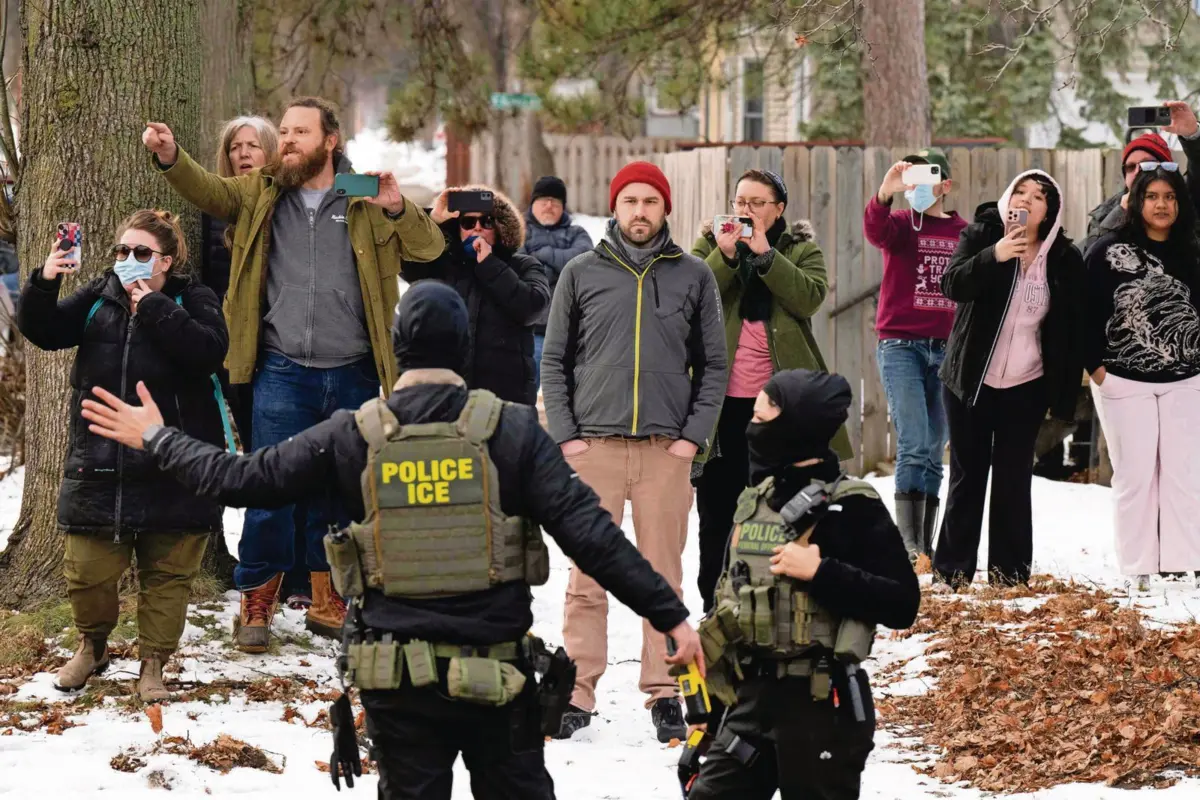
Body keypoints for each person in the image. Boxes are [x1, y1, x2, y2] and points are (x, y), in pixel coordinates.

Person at [79, 280, 704, 800]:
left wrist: (159, 438)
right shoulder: (511, 432)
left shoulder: (352, 435)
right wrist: (671, 618)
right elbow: (593, 537)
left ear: (397, 348)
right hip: (498, 678)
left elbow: (242, 479)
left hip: (397, 685)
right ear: (462, 347)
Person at [143, 96, 445, 652]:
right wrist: (169, 156)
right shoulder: (264, 189)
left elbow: (429, 248)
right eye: (283, 131)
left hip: (354, 369)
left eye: (299, 132)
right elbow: (209, 190)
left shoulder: (362, 193)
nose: (286, 140)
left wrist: (400, 207)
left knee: (341, 489)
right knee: (269, 487)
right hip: (280, 368)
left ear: (330, 141)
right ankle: (257, 597)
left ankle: (330, 596)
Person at [541, 161, 727, 742]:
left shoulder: (694, 275)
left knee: (664, 579)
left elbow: (714, 365)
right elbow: (553, 360)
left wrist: (691, 438)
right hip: (592, 448)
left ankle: (665, 690)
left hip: (663, 452)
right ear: (615, 207)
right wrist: (568, 437)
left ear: (664, 209)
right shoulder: (580, 272)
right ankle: (576, 691)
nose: (640, 212)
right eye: (630, 202)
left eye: (651, 201)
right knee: (585, 578)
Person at [17, 209, 228, 703]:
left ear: (166, 261)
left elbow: (208, 351)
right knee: (86, 571)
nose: (126, 262)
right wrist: (47, 279)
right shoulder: (100, 294)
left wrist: (153, 305)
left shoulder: (192, 297)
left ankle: (153, 662)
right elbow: (44, 330)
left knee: (168, 578)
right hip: (100, 460)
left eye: (139, 253)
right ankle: (92, 647)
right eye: (120, 252)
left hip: (173, 462)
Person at [689, 369, 920, 800]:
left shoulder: (850, 505)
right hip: (751, 699)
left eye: (762, 418)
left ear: (795, 427)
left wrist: (822, 572)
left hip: (819, 704)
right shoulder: (754, 502)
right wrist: (711, 707)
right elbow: (727, 607)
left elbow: (902, 602)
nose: (752, 428)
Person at [690, 168, 848, 613]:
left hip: (782, 411)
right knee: (718, 514)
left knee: (782, 510)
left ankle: (778, 605)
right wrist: (726, 255)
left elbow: (809, 298)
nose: (745, 211)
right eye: (740, 202)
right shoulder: (710, 243)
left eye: (757, 203)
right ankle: (715, 605)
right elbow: (691, 294)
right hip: (722, 409)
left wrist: (766, 257)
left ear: (778, 209)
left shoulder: (800, 249)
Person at [935, 170, 1085, 589]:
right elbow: (952, 285)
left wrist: (1063, 396)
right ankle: (952, 574)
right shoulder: (982, 234)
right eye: (1021, 191)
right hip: (970, 379)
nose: (1028, 200)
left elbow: (1071, 328)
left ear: (1049, 211)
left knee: (1013, 479)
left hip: (1027, 382)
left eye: (1039, 196)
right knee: (968, 475)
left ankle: (1009, 576)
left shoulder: (1064, 258)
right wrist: (995, 254)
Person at [1085, 165, 1200, 592]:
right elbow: (1084, 315)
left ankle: (1186, 563)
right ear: (1135, 201)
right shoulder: (1104, 252)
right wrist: (1097, 369)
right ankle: (1138, 569)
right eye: (1152, 196)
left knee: (1184, 473)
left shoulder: (1192, 253)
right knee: (1134, 475)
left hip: (1187, 379)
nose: (1162, 204)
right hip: (1123, 381)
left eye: (1170, 197)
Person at [863, 148, 967, 561]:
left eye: (927, 181)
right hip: (901, 345)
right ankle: (907, 544)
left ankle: (926, 542)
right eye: (912, 182)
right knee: (913, 440)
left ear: (946, 186)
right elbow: (874, 230)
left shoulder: (963, 232)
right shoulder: (902, 226)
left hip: (947, 349)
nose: (918, 190)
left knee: (935, 444)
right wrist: (885, 192)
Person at [403, 185, 550, 405]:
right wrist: (433, 221)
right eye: (468, 223)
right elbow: (408, 264)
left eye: (487, 222)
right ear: (457, 228)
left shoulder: (523, 265)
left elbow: (533, 307)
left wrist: (490, 265)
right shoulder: (441, 265)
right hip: (450, 398)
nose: (477, 229)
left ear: (500, 227)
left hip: (506, 400)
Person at [1083, 102, 1200, 255]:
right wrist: (1119, 215)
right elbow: (1091, 259)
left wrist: (1192, 134)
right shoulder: (1105, 214)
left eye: (1147, 164)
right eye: (1131, 167)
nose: (1138, 171)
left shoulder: (1185, 201)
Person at [519, 175, 594, 389]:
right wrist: (560, 265)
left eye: (556, 201)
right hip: (531, 329)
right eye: (544, 200)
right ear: (533, 204)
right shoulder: (518, 232)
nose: (549, 205)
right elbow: (517, 266)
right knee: (525, 388)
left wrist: (543, 254)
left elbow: (583, 263)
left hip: (571, 330)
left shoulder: (577, 233)